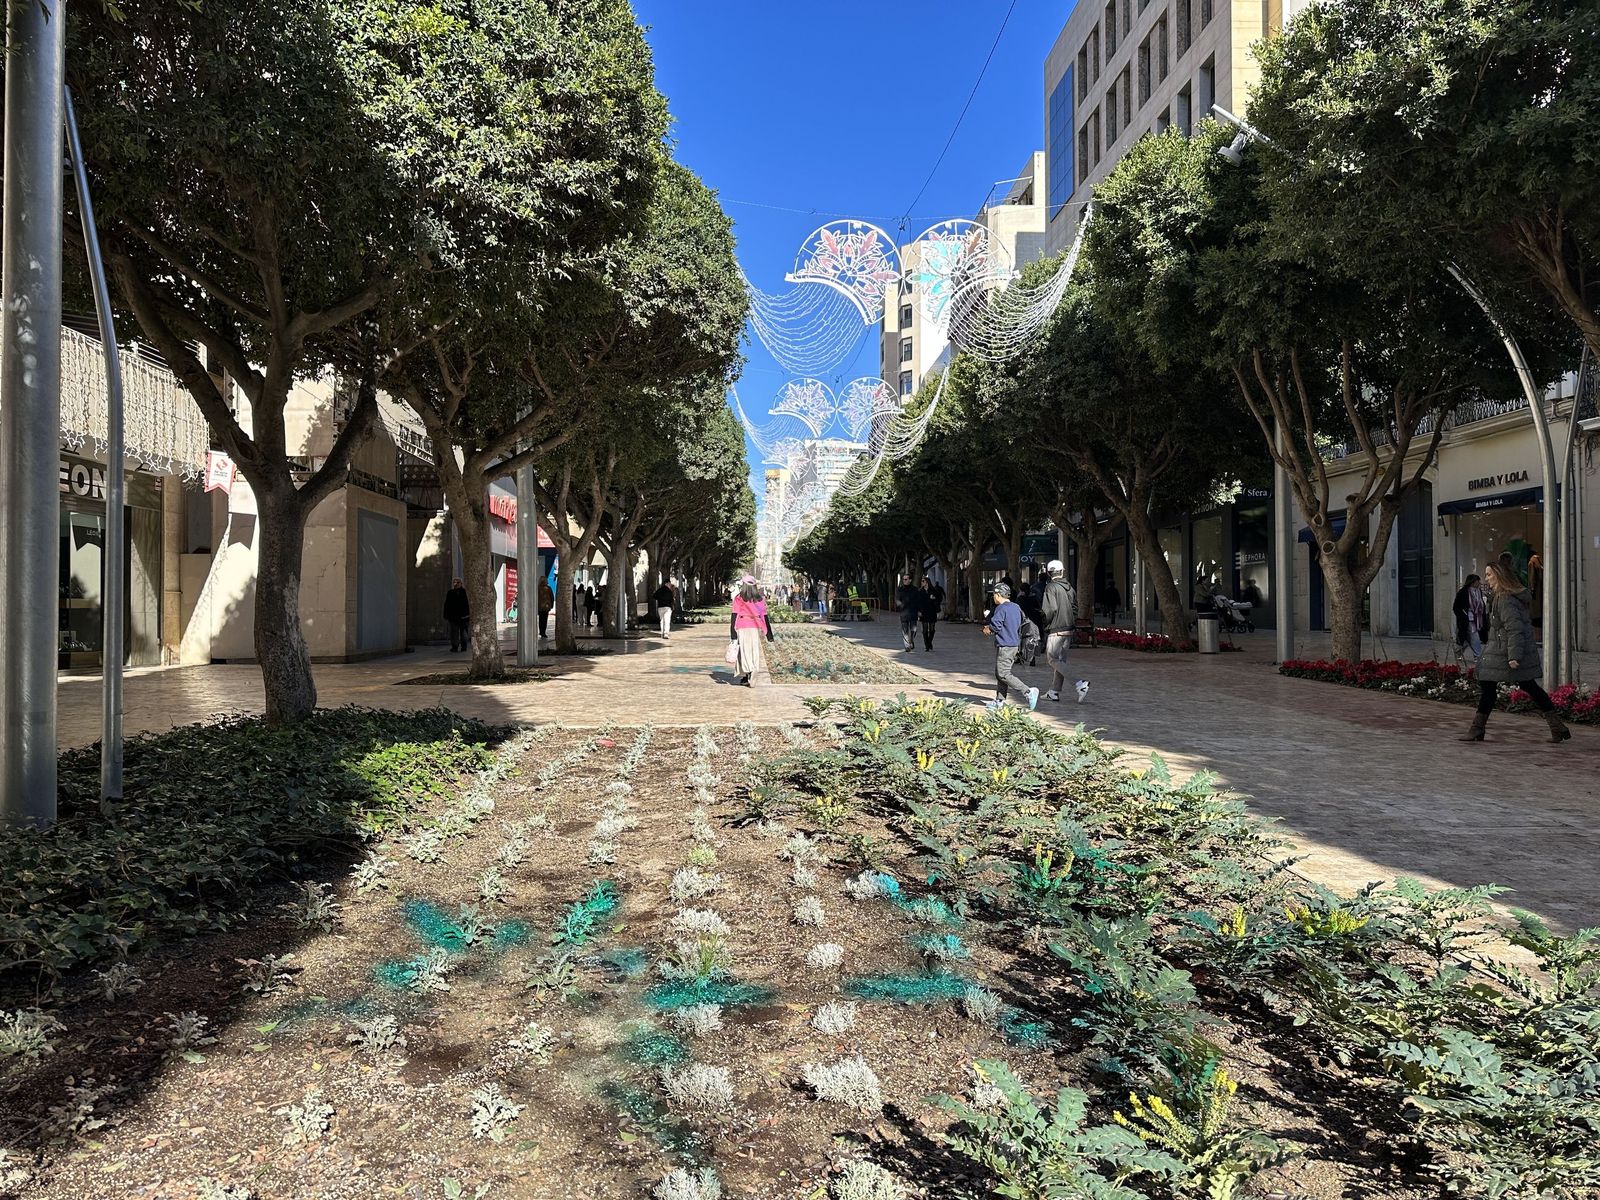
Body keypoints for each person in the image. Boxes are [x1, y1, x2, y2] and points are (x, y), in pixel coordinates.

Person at [1460, 561, 1570, 743]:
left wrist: (1514, 656)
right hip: (1501, 650)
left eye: (1489, 574)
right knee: (1518, 686)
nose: (1486, 577)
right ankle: (1557, 727)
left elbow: (1515, 629)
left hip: (1506, 653)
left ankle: (1477, 729)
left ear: (1500, 575)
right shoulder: (1501, 596)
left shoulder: (1504, 599)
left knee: (1522, 686)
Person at [1039, 559, 1090, 704]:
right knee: (1060, 661)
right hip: (1068, 628)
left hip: (1056, 628)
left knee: (1052, 659)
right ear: (1062, 572)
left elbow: (1050, 609)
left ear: (1049, 573)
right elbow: (1075, 608)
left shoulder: (1050, 587)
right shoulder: (1070, 587)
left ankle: (1079, 683)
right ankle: (1054, 692)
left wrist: (1045, 622)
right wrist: (1070, 622)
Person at [982, 582, 1038, 711]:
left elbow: (995, 626)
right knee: (1000, 673)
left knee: (1003, 674)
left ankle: (1028, 691)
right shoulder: (1015, 606)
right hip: (1014, 645)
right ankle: (1000, 701)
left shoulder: (1001, 608)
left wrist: (987, 629)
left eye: (994, 595)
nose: (993, 597)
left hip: (1005, 645)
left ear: (998, 595)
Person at [729, 575, 771, 687]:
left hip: (742, 626)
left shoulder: (739, 598)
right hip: (755, 627)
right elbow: (764, 616)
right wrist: (769, 634)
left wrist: (732, 631)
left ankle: (750, 670)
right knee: (754, 651)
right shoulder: (760, 598)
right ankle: (753, 670)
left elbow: (734, 614)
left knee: (744, 651)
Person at [1451, 573, 1486, 663]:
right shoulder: (1463, 592)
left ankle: (1458, 652)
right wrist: (1463, 615)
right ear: (1472, 582)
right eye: (1478, 581)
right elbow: (1456, 607)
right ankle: (1478, 656)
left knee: (1467, 639)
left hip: (1478, 619)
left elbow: (1481, 604)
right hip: (1468, 619)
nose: (1479, 583)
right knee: (1475, 637)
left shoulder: (1479, 592)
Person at [443, 577, 470, 652]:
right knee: (454, 632)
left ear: (461, 584)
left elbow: (468, 604)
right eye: (454, 582)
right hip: (453, 616)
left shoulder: (465, 592)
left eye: (457, 582)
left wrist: (468, 614)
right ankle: (455, 646)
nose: (455, 584)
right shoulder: (450, 592)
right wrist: (446, 614)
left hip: (464, 616)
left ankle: (464, 646)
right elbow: (447, 604)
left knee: (464, 632)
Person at [895, 573, 921, 651]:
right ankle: (907, 646)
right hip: (904, 613)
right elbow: (897, 599)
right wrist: (900, 604)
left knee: (914, 629)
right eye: (903, 579)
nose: (904, 581)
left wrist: (919, 610)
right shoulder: (899, 589)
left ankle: (911, 640)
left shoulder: (915, 590)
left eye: (906, 579)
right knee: (905, 630)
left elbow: (918, 601)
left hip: (913, 612)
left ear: (910, 580)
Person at [918, 575, 943, 650]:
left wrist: (934, 598)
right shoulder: (920, 591)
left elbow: (939, 599)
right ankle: (927, 645)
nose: (922, 583)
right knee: (925, 629)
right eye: (921, 581)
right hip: (924, 612)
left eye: (923, 581)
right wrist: (918, 611)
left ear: (927, 582)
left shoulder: (933, 590)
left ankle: (929, 642)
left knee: (932, 629)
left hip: (932, 611)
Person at [536, 576, 555, 640]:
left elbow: (536, 597)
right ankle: (543, 632)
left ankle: (541, 631)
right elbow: (552, 597)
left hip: (540, 607)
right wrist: (551, 605)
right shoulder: (548, 588)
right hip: (546, 607)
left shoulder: (538, 588)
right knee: (544, 619)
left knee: (541, 619)